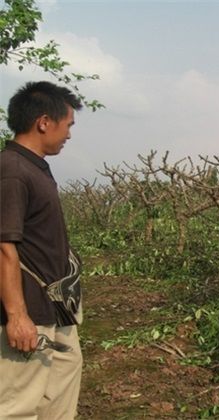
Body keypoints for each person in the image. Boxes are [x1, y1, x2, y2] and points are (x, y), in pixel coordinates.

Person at [1, 81, 84, 419]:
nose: (69, 135)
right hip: (29, 312)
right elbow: (4, 247)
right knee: (18, 405)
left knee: (58, 396)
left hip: (55, 310)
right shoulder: (12, 171)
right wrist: (17, 316)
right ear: (44, 122)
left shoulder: (34, 168)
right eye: (68, 125)